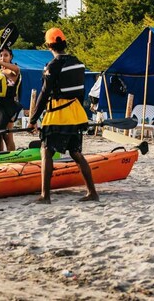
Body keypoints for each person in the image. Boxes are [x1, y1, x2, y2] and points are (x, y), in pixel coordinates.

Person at [28, 27, 98, 203]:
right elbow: (81, 92)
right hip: (75, 113)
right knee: (75, 152)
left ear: (48, 45)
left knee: (46, 151)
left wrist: (33, 120)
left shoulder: (52, 66)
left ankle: (45, 196)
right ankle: (92, 192)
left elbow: (44, 94)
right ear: (64, 43)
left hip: (58, 115)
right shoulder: (78, 63)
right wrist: (80, 113)